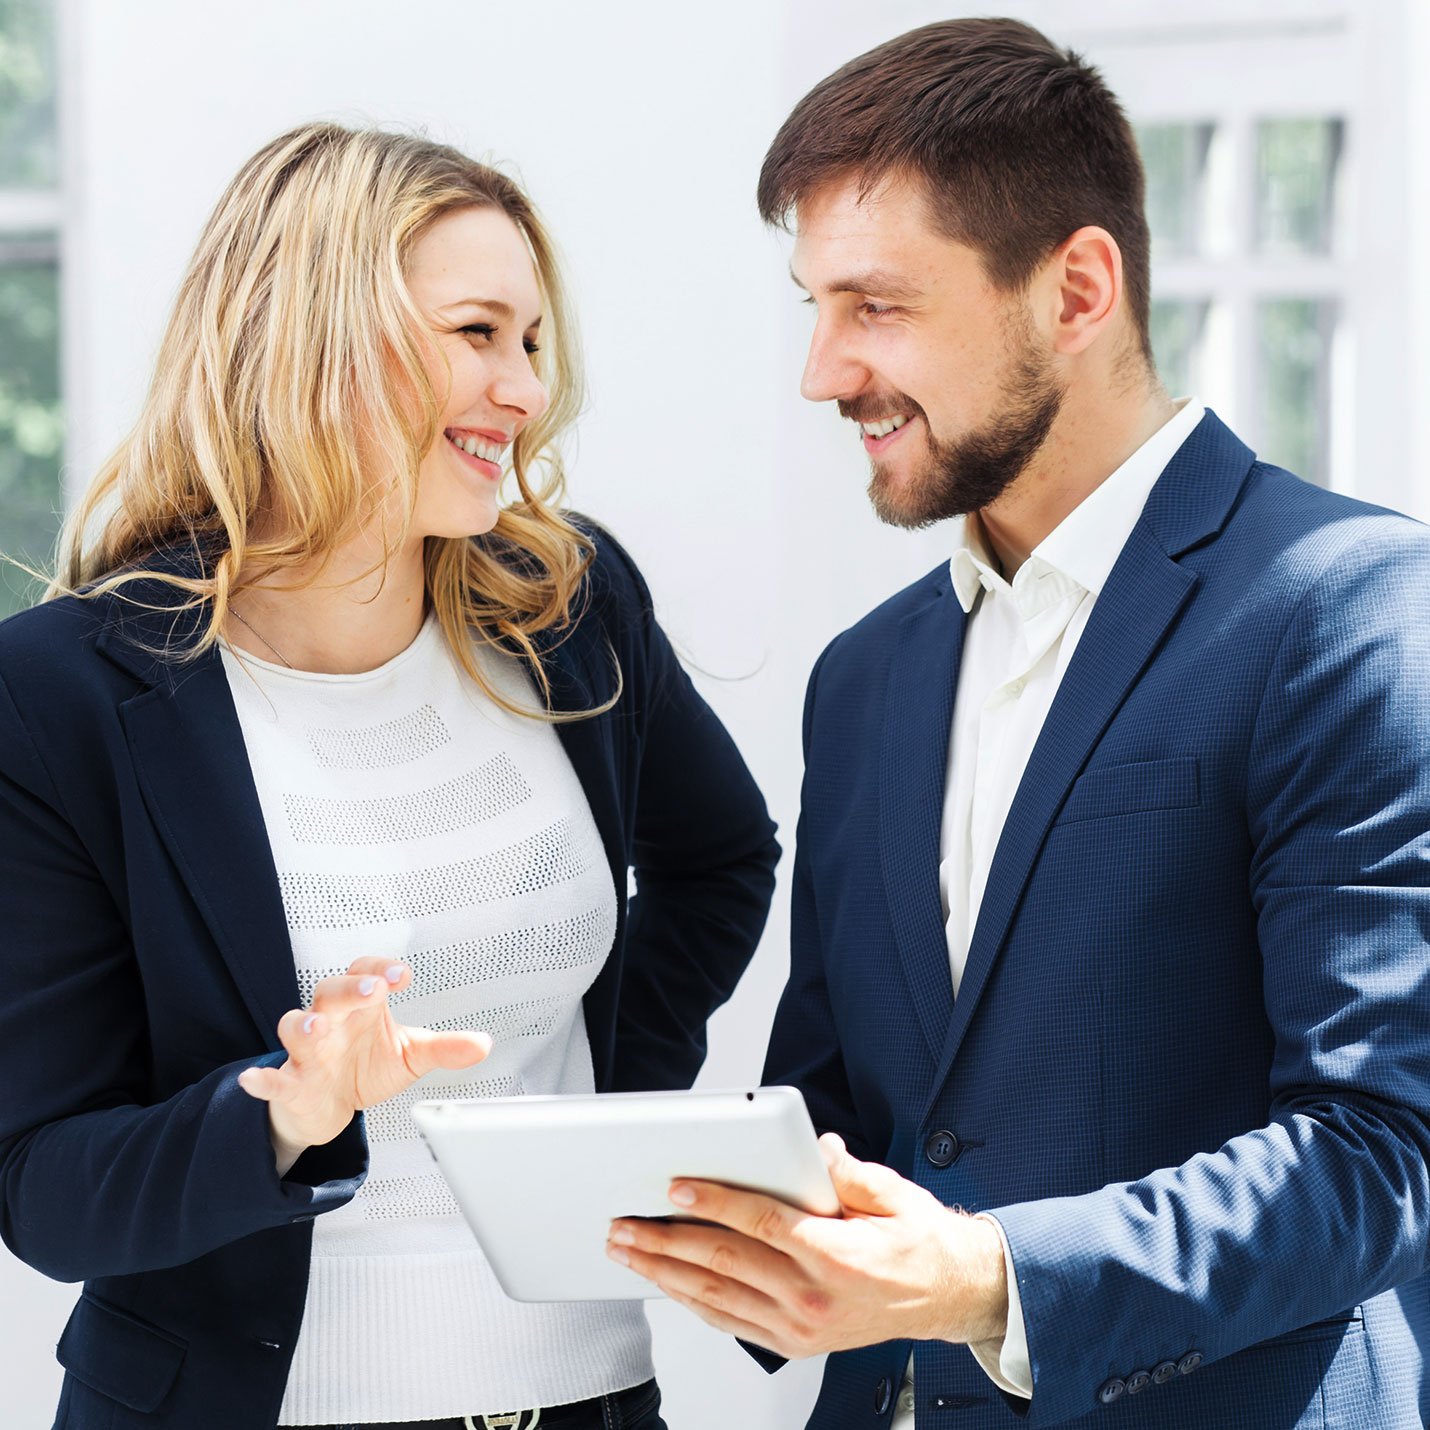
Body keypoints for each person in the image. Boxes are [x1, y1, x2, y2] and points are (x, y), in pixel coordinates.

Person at [605, 18, 1430, 1427]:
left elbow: (1379, 1154)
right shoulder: (862, 679)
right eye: (812, 305)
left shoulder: (1347, 605)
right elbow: (843, 1108)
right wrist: (698, 1205)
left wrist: (988, 1277)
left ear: (1077, 288)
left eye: (874, 305)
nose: (820, 369)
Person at [0, 122, 780, 1430]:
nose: (525, 389)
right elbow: (45, 1184)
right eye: (479, 334)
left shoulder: (567, 605)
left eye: (530, 343)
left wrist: (591, 1105)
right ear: (309, 340)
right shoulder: (59, 695)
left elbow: (720, 860)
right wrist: (285, 1108)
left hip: (588, 1397)